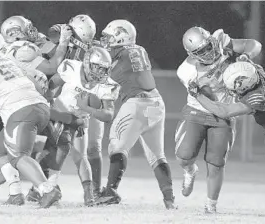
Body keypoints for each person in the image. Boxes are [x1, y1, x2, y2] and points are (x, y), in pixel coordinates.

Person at [0, 42, 60, 208]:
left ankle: (47, 189)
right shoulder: (8, 62)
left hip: (20, 111)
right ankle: (15, 193)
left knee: (18, 157)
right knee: (2, 150)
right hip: (41, 107)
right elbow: (37, 86)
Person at [175, 26, 262, 213]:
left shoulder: (222, 41)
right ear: (192, 54)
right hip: (198, 109)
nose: (208, 52)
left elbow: (254, 44)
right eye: (201, 51)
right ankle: (190, 170)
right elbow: (210, 98)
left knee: (216, 161)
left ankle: (210, 205)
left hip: (225, 113)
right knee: (184, 155)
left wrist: (245, 56)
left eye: (208, 46)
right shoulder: (186, 71)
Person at [96, 19, 176, 210]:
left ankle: (110, 191)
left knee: (116, 145)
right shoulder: (138, 49)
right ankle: (169, 200)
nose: (106, 42)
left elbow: (105, 79)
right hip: (156, 104)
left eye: (109, 38)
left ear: (120, 37)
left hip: (137, 104)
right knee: (157, 156)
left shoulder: (120, 58)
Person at [46, 46, 120, 206]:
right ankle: (42, 189)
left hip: (77, 121)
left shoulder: (107, 84)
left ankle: (88, 195)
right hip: (58, 114)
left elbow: (108, 115)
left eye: (103, 69)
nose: (100, 72)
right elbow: (51, 86)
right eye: (97, 67)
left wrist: (86, 109)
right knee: (46, 153)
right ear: (87, 62)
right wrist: (48, 105)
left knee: (79, 156)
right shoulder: (71, 67)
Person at [188, 60, 265, 179]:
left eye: (236, 89)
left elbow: (224, 111)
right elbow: (244, 63)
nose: (234, 91)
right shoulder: (256, 71)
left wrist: (197, 95)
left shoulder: (257, 98)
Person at [47, 15, 105, 197]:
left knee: (51, 150)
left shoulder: (70, 65)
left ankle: (43, 188)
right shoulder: (99, 53)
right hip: (83, 115)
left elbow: (50, 84)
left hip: (63, 109)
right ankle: (90, 193)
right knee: (83, 155)